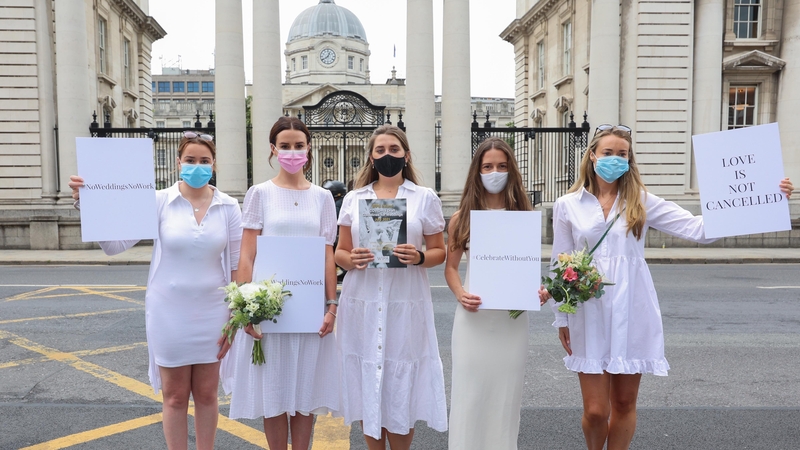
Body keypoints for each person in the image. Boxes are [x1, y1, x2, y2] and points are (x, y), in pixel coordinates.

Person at [537, 125, 795, 450]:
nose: (615, 159)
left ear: (630, 160)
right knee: (595, 410)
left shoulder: (640, 200)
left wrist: (769, 199)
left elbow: (698, 229)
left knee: (624, 404)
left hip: (633, 306)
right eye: (608, 153)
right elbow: (560, 262)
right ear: (592, 155)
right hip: (588, 308)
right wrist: (561, 318)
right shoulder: (567, 204)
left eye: (622, 154)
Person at [68, 131, 243, 450]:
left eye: (204, 161)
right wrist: (87, 204)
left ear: (214, 165)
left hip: (214, 313)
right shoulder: (159, 201)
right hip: (168, 313)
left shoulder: (229, 206)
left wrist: (235, 315)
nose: (197, 166)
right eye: (190, 160)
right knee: (174, 396)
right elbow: (114, 246)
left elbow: (236, 266)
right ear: (179, 162)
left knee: (207, 394)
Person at [221, 116, 339, 450]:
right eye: (284, 146)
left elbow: (327, 255)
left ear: (308, 148)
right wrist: (243, 308)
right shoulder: (260, 194)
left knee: (306, 394)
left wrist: (332, 306)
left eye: (298, 145)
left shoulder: (322, 198)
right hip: (270, 312)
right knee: (273, 395)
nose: (291, 152)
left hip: (310, 311)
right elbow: (247, 256)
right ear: (273, 149)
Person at [334, 125, 447, 450]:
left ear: (406, 155)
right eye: (380, 150)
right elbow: (339, 252)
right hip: (363, 302)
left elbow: (439, 251)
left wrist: (420, 255)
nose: (387, 156)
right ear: (371, 157)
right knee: (367, 383)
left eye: (394, 150)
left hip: (405, 302)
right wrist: (351, 258)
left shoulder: (424, 198)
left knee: (400, 389)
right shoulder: (355, 199)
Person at [444, 137, 537, 450]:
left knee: (505, 399)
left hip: (511, 321)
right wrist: (460, 294)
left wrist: (536, 291)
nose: (495, 172)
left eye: (501, 166)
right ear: (477, 171)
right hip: (474, 319)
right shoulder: (462, 218)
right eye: (488, 166)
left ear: (511, 170)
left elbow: (526, 268)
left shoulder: (524, 215)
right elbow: (451, 268)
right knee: (470, 396)